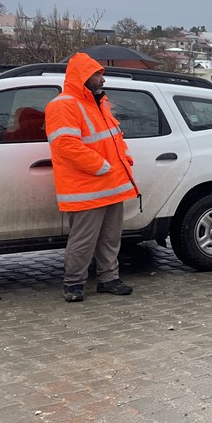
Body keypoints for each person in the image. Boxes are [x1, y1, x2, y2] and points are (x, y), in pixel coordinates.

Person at [45, 53, 139, 302]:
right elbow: (66, 145)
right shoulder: (63, 105)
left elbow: (115, 138)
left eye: (101, 74)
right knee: (84, 240)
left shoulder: (99, 103)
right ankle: (73, 284)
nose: (102, 79)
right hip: (87, 186)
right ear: (83, 77)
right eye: (97, 75)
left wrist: (123, 160)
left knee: (110, 238)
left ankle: (109, 279)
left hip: (110, 183)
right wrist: (101, 167)